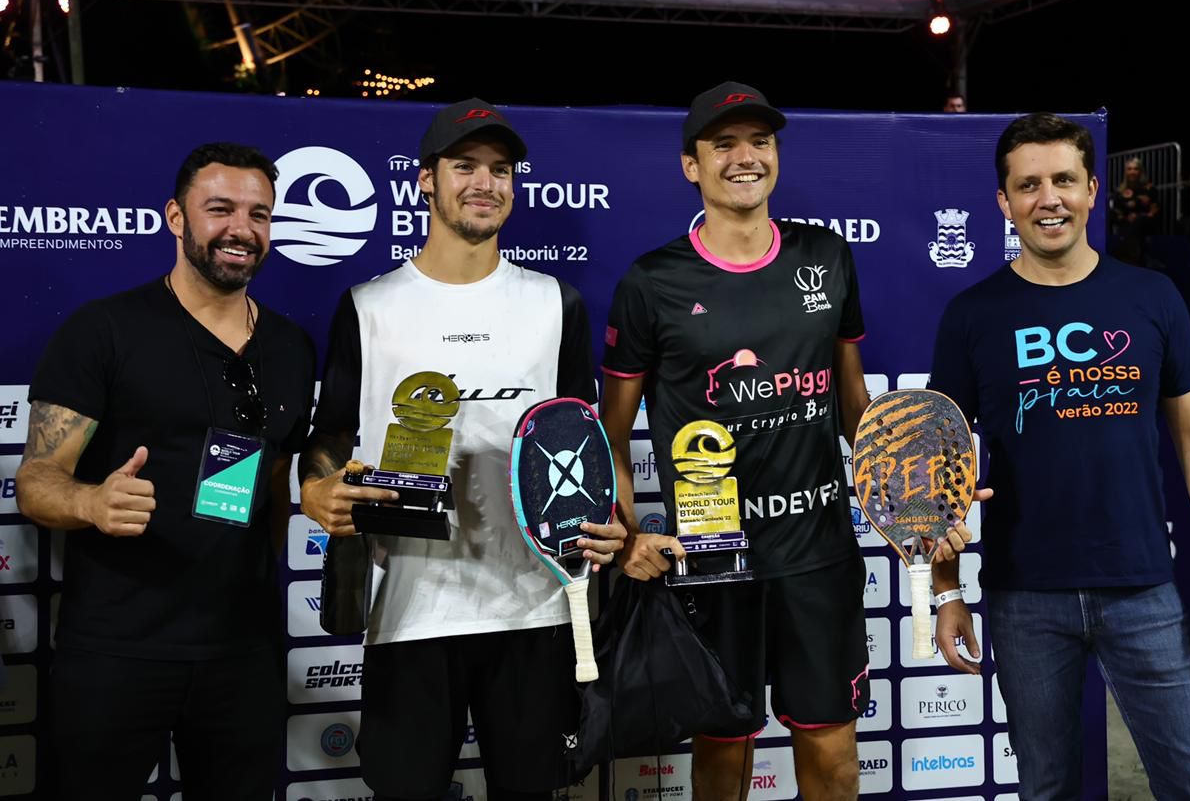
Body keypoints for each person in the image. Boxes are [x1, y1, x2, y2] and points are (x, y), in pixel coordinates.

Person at [601, 81, 970, 801]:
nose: (746, 158)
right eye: (724, 144)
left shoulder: (825, 256)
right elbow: (611, 435)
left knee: (832, 761)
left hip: (817, 557)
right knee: (721, 763)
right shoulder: (652, 282)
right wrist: (623, 536)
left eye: (760, 142)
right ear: (691, 165)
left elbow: (854, 407)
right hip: (712, 562)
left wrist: (918, 499)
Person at [299, 98, 626, 801]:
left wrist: (606, 524)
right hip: (413, 610)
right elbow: (327, 442)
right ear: (425, 180)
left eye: (500, 169)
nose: (485, 182)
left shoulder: (554, 304)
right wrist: (317, 489)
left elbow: (580, 441)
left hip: (535, 609)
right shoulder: (370, 305)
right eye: (465, 166)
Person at [930, 112, 1190, 800]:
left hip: (1141, 589)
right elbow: (942, 468)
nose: (1048, 198)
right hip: (1023, 598)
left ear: (1093, 190)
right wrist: (946, 590)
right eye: (1029, 185)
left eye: (1063, 181)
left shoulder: (1150, 297)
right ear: (1004, 203)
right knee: (1045, 789)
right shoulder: (971, 315)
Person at [16, 142, 316, 800]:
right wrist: (92, 501)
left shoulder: (292, 346)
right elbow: (36, 479)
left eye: (260, 214)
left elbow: (272, 488)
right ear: (176, 218)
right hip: (118, 650)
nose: (243, 229)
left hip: (242, 655)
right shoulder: (103, 331)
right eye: (221, 209)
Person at [1109, 155, 1160, 263]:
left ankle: (1131, 259)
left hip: (1143, 225)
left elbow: (1154, 212)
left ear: (1140, 171)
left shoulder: (1149, 189)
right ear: (1126, 172)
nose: (1132, 172)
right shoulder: (1120, 191)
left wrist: (1139, 216)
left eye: (1135, 169)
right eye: (1129, 169)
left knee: (1137, 224)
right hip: (1125, 225)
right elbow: (1116, 211)